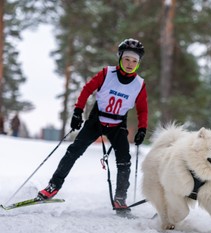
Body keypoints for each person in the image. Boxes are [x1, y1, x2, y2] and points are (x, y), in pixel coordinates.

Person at [37, 38, 148, 213]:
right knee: (73, 151)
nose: (129, 63)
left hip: (118, 125)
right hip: (96, 121)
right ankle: (53, 186)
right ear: (120, 58)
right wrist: (77, 111)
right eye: (126, 59)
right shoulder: (106, 73)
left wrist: (142, 128)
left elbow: (143, 109)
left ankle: (120, 198)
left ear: (138, 63)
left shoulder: (139, 84)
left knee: (124, 161)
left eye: (134, 61)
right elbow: (87, 89)